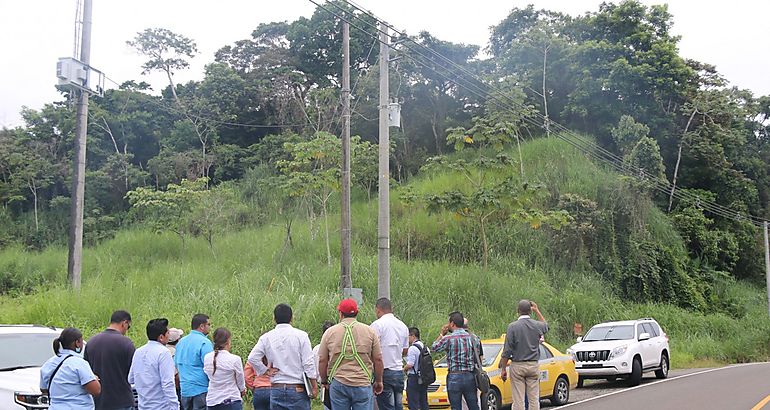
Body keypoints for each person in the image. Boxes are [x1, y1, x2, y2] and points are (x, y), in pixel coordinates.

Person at [247, 303, 318, 410]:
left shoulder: (267, 337)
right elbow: (308, 363)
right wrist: (314, 386)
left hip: (277, 389)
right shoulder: (301, 336)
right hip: (297, 389)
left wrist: (265, 371)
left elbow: (252, 358)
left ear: (274, 319)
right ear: (292, 318)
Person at [317, 298, 384, 410]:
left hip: (338, 383)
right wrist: (378, 381)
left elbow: (322, 360)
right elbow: (378, 359)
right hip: (362, 382)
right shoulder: (370, 331)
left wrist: (324, 381)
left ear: (340, 313)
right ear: (357, 313)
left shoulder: (330, 332)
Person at [499, 301, 548, 410]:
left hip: (517, 365)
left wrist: (503, 368)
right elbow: (546, 325)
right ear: (530, 311)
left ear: (518, 311)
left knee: (518, 399)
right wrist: (537, 310)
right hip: (533, 364)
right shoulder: (536, 325)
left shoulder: (512, 327)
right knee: (534, 399)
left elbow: (507, 350)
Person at [83, 310, 135, 410]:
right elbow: (133, 373)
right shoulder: (126, 343)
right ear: (124, 323)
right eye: (129, 326)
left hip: (98, 401)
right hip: (122, 401)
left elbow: (87, 372)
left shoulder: (91, 342)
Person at [40, 327, 101, 410]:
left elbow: (43, 389)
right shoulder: (79, 363)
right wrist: (94, 378)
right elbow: (96, 390)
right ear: (77, 343)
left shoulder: (49, 363)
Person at [431, 312, 479, 410]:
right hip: (470, 375)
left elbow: (434, 348)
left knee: (455, 407)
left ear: (452, 323)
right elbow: (477, 353)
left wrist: (441, 334)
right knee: (473, 405)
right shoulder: (473, 338)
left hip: (454, 376)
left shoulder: (448, 338)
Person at [128, 318, 179, 410]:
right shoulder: (164, 353)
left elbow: (131, 379)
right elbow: (168, 383)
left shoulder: (138, 351)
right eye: (167, 333)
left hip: (143, 405)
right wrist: (175, 406)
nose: (169, 336)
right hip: (161, 406)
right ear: (161, 337)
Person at [370, 298, 409, 410]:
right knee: (398, 406)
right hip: (398, 372)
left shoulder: (377, 325)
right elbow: (405, 350)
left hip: (384, 372)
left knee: (387, 406)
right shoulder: (403, 326)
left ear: (378, 310)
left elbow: (371, 349)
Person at [175, 314, 213, 410]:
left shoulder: (181, 342)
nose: (210, 327)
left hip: (185, 389)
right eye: (208, 324)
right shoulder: (205, 342)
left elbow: (176, 364)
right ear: (201, 326)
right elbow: (210, 366)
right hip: (201, 389)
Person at [203, 328, 246, 410]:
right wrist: (242, 389)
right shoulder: (235, 359)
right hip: (231, 400)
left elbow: (207, 374)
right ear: (228, 341)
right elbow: (240, 379)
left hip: (212, 401)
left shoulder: (207, 357)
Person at [312, 320, 335, 410]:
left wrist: (321, 381)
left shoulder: (317, 348)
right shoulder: (339, 347)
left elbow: (314, 368)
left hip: (324, 384)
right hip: (338, 381)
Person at [404, 327, 428, 410]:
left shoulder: (412, 348)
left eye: (408, 336)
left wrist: (404, 369)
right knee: (423, 401)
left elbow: (410, 364)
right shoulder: (425, 347)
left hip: (414, 377)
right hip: (424, 377)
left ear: (413, 336)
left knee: (413, 402)